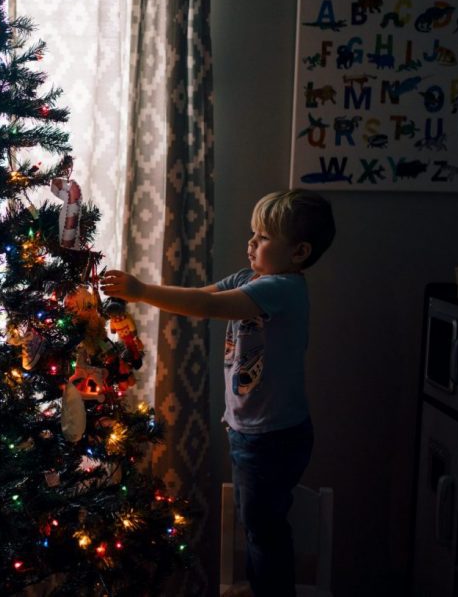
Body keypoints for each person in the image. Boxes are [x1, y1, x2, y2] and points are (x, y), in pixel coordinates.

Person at [101, 189, 335, 597]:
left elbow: (206, 308)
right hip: (253, 431)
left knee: (264, 531)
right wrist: (143, 291)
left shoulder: (282, 289)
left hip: (272, 437)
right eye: (253, 233)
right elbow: (204, 296)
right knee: (260, 525)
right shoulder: (252, 279)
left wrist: (141, 292)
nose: (251, 243)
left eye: (263, 238)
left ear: (298, 252)